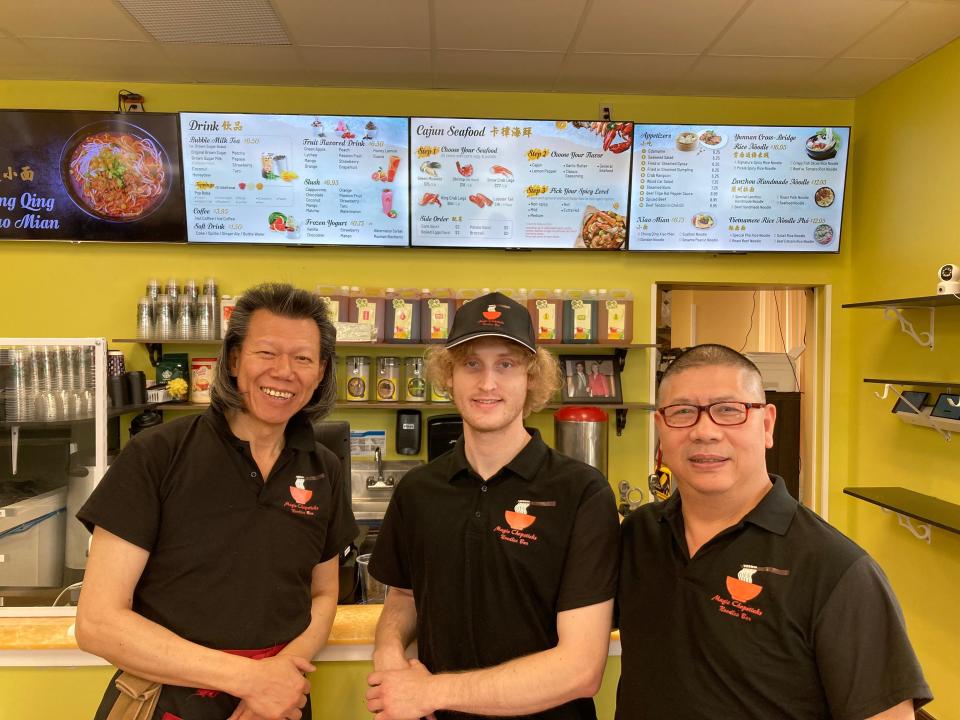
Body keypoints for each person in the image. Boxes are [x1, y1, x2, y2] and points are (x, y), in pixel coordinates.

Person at [75, 283, 358, 720]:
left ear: (321, 372)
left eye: (303, 358)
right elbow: (97, 624)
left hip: (276, 706)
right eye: (266, 353)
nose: (284, 371)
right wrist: (249, 680)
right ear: (233, 359)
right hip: (162, 699)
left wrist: (281, 676)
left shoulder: (324, 468)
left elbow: (323, 594)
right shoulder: (158, 454)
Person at [616, 344, 932, 720]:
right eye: (683, 412)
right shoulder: (639, 536)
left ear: (766, 425)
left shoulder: (836, 570)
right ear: (661, 431)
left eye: (728, 410)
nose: (705, 431)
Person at [365, 291, 619, 720]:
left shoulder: (582, 493)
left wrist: (431, 692)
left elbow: (580, 669)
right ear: (448, 376)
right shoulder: (419, 490)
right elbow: (404, 596)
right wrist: (388, 650)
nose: (487, 383)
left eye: (506, 364)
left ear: (532, 377)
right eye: (471, 364)